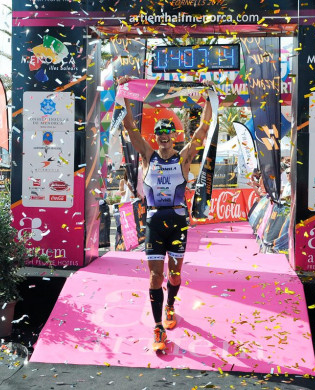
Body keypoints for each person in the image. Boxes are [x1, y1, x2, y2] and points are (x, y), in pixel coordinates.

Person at [118, 75, 213, 351]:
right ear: (155, 137)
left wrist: (208, 98)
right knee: (154, 277)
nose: (163, 137)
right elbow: (130, 128)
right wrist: (123, 93)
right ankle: (158, 327)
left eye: (167, 133)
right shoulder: (149, 156)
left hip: (179, 221)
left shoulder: (183, 158)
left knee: (173, 276)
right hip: (154, 222)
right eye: (159, 133)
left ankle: (171, 304)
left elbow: (203, 131)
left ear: (173, 136)